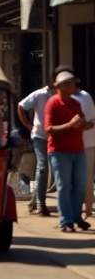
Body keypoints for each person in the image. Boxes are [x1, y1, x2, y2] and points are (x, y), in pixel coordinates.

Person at [45, 68, 93, 232]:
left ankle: (76, 217)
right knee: (64, 186)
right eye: (70, 83)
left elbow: (80, 123)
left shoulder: (76, 103)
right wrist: (70, 125)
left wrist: (87, 125)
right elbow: (49, 128)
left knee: (80, 185)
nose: (74, 86)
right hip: (59, 152)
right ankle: (66, 222)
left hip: (77, 150)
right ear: (61, 86)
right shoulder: (52, 103)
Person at [17, 81, 56, 215]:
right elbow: (21, 106)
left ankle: (36, 197)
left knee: (53, 168)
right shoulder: (39, 95)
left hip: (56, 136)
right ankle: (40, 203)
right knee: (43, 166)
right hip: (39, 136)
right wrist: (28, 125)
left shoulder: (60, 96)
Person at [74, 81, 95, 223]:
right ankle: (86, 209)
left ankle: (87, 210)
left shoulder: (82, 98)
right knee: (85, 178)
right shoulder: (85, 97)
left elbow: (89, 122)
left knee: (85, 179)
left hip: (85, 144)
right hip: (84, 144)